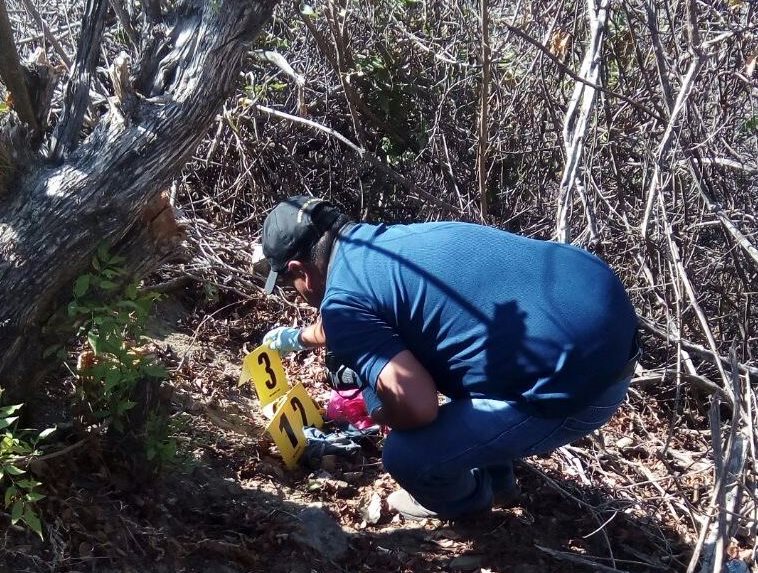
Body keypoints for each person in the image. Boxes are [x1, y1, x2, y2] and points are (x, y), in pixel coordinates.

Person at [261, 195, 639, 520]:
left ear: (300, 271)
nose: (297, 294)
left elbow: (419, 407)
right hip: (602, 310)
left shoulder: (345, 301)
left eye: (291, 285)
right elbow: (346, 319)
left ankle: (471, 502)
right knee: (455, 344)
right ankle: (499, 477)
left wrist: (379, 409)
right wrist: (297, 339)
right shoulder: (388, 246)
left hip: (584, 384)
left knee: (407, 454)